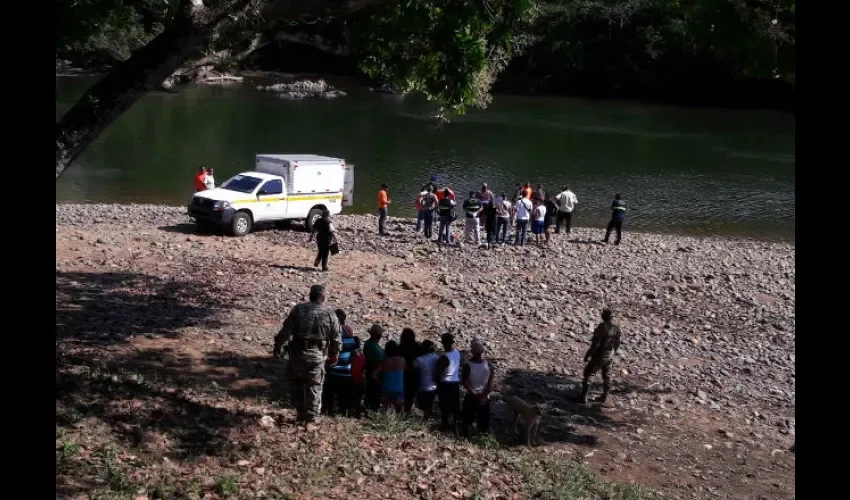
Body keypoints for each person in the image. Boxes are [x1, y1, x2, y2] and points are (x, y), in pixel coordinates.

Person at [273, 285, 342, 423]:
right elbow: (336, 337)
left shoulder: (299, 310)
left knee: (297, 383)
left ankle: (300, 414)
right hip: (317, 355)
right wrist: (335, 354)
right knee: (314, 385)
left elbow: (285, 331)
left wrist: (278, 345)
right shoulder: (330, 313)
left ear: (311, 295)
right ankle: (311, 418)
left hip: (298, 353)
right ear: (323, 297)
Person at [580, 308, 623, 404]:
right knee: (607, 376)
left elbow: (596, 344)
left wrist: (588, 354)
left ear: (603, 317)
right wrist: (613, 352)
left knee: (589, 373)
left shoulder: (601, 328)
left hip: (600, 355)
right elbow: (618, 342)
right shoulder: (616, 327)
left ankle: (583, 397)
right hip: (610, 355)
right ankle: (604, 397)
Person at [322, 309, 361, 415]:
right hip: (345, 373)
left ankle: (327, 412)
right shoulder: (350, 337)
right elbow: (356, 354)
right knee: (343, 401)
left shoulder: (332, 334)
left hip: (332, 371)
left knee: (327, 398)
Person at [461, 339, 495, 437]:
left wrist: (475, 394)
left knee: (467, 419)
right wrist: (484, 396)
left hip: (471, 396)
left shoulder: (467, 366)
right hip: (485, 398)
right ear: (482, 351)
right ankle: (481, 438)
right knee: (483, 420)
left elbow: (465, 383)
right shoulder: (489, 365)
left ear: (472, 351)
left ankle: (467, 437)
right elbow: (491, 384)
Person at [435, 333, 462, 432]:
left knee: (444, 405)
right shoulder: (457, 352)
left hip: (445, 384)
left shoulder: (444, 358)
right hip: (455, 382)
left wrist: (437, 382)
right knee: (455, 405)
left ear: (443, 343)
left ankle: (445, 425)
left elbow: (438, 373)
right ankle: (457, 424)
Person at [374, 340, 406, 413]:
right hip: (399, 388)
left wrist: (380, 381)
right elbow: (405, 371)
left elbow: (374, 374)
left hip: (386, 388)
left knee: (384, 410)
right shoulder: (402, 360)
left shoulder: (386, 361)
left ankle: (384, 423)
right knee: (399, 411)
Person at [413, 340, 440, 420]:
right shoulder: (436, 357)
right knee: (430, 406)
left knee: (425, 408)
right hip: (435, 386)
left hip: (424, 387)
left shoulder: (419, 360)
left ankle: (426, 423)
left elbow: (411, 368)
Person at [363, 324, 385, 412]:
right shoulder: (377, 350)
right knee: (375, 394)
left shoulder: (367, 344)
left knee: (369, 392)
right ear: (380, 336)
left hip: (368, 371)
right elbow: (381, 362)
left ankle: (367, 408)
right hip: (376, 374)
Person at [399, 328, 421, 414]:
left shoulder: (400, 347)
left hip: (403, 374)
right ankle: (407, 411)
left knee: (404, 394)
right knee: (410, 395)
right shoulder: (417, 347)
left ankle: (402, 411)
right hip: (414, 374)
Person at [350, 343, 367, 417]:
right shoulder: (363, 357)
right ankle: (360, 412)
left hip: (354, 380)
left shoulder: (352, 358)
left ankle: (357, 412)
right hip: (361, 380)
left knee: (356, 398)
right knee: (360, 398)